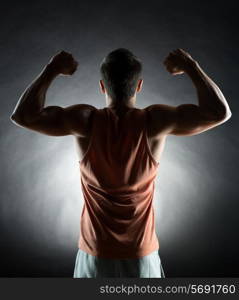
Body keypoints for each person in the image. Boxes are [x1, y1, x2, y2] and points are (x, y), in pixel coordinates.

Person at [10, 48, 232, 278]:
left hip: (95, 256)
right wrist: (191, 66)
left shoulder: (84, 121)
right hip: (141, 256)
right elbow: (218, 113)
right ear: (139, 85)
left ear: (102, 86)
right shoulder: (155, 122)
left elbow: (23, 116)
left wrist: (51, 69)